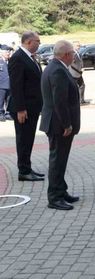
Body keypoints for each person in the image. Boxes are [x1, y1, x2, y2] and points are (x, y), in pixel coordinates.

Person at [39, 40, 81, 211]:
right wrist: (67, 124)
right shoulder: (57, 71)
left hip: (56, 122)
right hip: (59, 124)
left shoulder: (55, 66)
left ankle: (61, 191)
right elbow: (59, 102)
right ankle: (54, 198)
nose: (74, 55)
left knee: (60, 160)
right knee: (57, 161)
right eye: (72, 53)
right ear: (66, 54)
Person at [8, 31, 44, 181]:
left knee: (28, 139)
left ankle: (27, 167)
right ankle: (23, 171)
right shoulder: (18, 58)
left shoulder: (29, 57)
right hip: (24, 109)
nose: (39, 44)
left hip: (32, 107)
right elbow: (16, 86)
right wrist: (20, 109)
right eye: (38, 41)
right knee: (23, 139)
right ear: (29, 42)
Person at [0, 50, 10, 121]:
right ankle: (1, 113)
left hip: (10, 85)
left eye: (9, 52)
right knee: (1, 100)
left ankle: (8, 113)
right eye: (6, 52)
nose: (8, 53)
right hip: (1, 85)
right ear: (2, 53)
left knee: (9, 100)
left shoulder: (10, 62)